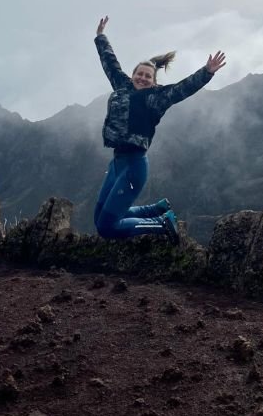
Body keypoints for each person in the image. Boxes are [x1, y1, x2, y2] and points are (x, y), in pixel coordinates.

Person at [93, 16, 226, 245]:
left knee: (108, 227)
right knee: (99, 218)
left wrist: (207, 72)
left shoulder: (156, 97)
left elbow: (183, 89)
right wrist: (100, 37)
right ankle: (157, 209)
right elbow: (110, 63)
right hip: (117, 164)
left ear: (154, 82)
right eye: (139, 74)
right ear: (133, 76)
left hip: (134, 166)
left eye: (147, 76)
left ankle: (163, 223)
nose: (142, 78)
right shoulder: (122, 85)